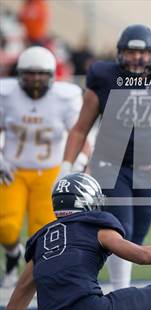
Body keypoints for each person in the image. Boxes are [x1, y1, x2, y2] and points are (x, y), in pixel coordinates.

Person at [59, 24, 151, 290]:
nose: (136, 58)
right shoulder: (104, 76)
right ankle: (121, 293)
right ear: (120, 53)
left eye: (142, 53)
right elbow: (80, 127)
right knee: (122, 229)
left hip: (146, 167)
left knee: (138, 235)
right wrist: (66, 166)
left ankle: (100, 282)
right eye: (130, 52)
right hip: (109, 164)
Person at [6, 172, 151, 310]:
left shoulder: (40, 242)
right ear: (87, 199)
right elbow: (144, 256)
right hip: (91, 307)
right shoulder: (96, 228)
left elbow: (18, 298)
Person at [0, 46, 89, 288]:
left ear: (51, 75)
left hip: (50, 171)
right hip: (13, 171)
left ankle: (33, 279)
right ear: (19, 74)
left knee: (42, 233)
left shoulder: (65, 97)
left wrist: (77, 162)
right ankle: (11, 255)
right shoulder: (6, 94)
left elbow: (79, 133)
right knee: (6, 227)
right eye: (30, 73)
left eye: (41, 74)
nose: (36, 79)